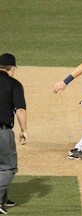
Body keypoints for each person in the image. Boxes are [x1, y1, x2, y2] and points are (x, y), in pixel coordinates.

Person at [0, 53, 28, 214]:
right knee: (8, 167)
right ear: (13, 68)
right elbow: (21, 110)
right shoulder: (13, 84)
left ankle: (3, 198)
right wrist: (24, 130)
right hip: (2, 132)